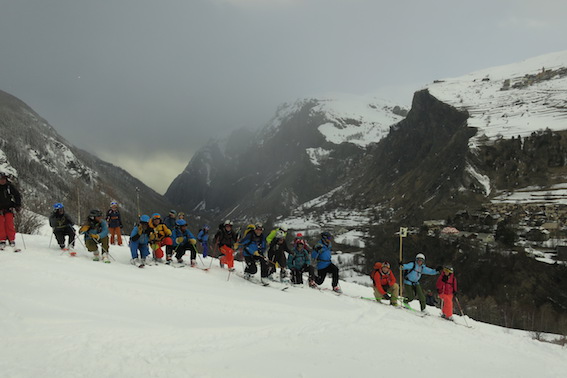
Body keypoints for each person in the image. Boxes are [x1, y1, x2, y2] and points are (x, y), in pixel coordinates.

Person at [0, 172, 21, 249]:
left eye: (4, 179)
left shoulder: (9, 186)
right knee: (0, 224)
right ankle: (2, 239)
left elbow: (17, 195)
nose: (3, 181)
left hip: (9, 207)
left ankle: (11, 239)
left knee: (10, 224)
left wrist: (18, 205)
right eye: (1, 179)